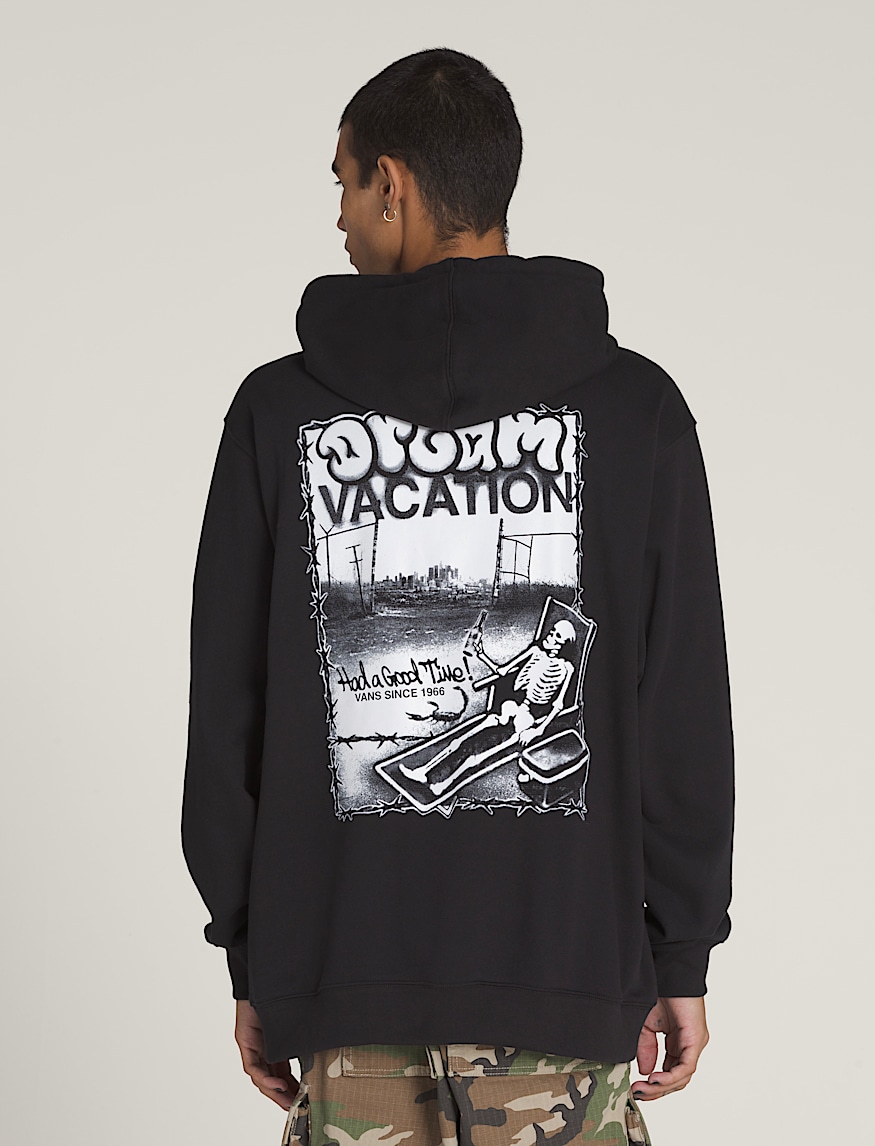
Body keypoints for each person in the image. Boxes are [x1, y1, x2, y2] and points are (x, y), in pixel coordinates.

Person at [181, 47, 735, 1145]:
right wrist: (681, 950)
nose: (339, 217)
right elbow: (679, 709)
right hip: (567, 984)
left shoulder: (275, 414)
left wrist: (257, 957)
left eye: (343, 184)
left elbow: (227, 714)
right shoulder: (638, 413)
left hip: (343, 982)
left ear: (391, 184)